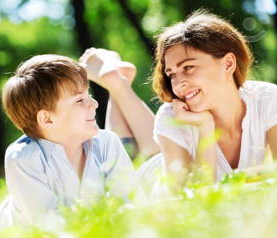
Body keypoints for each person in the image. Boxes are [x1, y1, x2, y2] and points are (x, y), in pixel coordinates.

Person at [0, 54, 136, 238]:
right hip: (7, 233)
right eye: (80, 100)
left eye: (88, 95)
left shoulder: (107, 143)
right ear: (47, 119)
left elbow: (129, 201)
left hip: (86, 228)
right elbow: (52, 227)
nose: (94, 104)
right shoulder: (22, 158)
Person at [80, 11, 277, 194]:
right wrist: (204, 126)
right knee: (127, 164)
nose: (178, 83)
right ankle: (116, 84)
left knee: (153, 149)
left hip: (168, 160)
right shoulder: (172, 114)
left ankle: (117, 82)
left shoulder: (267, 99)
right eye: (171, 74)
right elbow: (196, 198)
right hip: (155, 187)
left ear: (228, 63)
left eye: (188, 67)